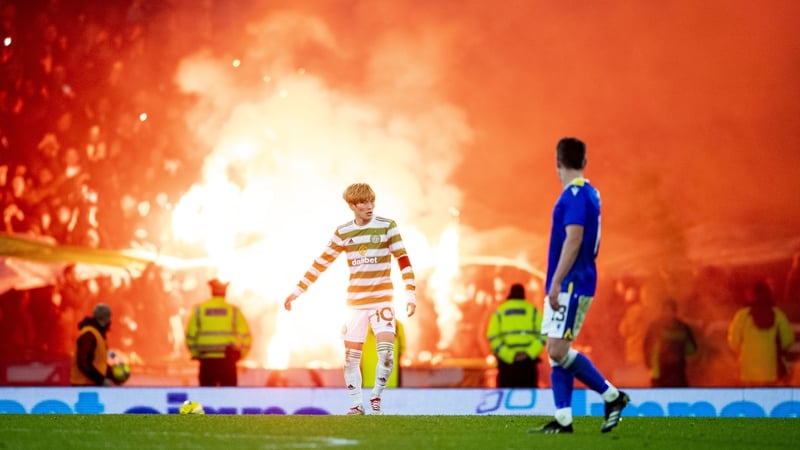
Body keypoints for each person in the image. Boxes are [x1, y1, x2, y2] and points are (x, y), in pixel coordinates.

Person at [284, 182, 417, 415]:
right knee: (350, 359)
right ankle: (357, 404)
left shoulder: (387, 226)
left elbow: (403, 259)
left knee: (386, 353)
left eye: (371, 201)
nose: (370, 206)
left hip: (382, 301)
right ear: (352, 206)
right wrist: (297, 291)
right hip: (354, 305)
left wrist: (411, 293)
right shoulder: (343, 232)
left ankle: (375, 396)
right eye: (363, 202)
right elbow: (321, 263)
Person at [534, 137, 629, 434]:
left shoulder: (574, 195)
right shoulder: (590, 193)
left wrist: (558, 280)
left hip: (573, 283)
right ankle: (563, 419)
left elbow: (574, 238)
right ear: (585, 162)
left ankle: (612, 396)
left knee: (558, 349)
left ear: (557, 162)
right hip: (571, 282)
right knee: (555, 350)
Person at [185, 278, 252, 387]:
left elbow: (190, 336)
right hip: (228, 362)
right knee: (229, 397)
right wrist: (240, 355)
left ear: (212, 292)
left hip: (207, 361)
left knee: (207, 396)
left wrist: (196, 354)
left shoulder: (199, 310)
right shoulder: (234, 311)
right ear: (225, 293)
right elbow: (246, 337)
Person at [727, 281, 795, 386]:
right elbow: (788, 340)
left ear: (752, 296)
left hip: (747, 372)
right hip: (772, 371)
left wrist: (742, 353)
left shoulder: (742, 315)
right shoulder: (778, 314)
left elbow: (733, 342)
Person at [486, 283, 545, 388]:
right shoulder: (533, 311)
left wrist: (509, 355)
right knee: (529, 399)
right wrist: (529, 353)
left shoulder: (499, 312)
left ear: (509, 294)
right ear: (524, 295)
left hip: (506, 367)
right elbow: (543, 335)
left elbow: (493, 337)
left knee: (505, 400)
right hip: (528, 366)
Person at [643, 298, 697, 387]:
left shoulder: (654, 327)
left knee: (658, 398)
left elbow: (647, 347)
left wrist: (648, 364)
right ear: (675, 311)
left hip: (659, 373)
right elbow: (691, 350)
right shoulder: (683, 327)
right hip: (678, 373)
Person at [70, 303, 114, 386]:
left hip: (93, 384)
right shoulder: (89, 334)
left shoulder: (98, 334)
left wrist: (111, 375)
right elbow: (83, 362)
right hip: (84, 385)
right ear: (105, 318)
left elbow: (99, 362)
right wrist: (101, 380)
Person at [362, 319, 406, 388]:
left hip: (368, 381)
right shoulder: (397, 324)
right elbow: (402, 349)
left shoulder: (364, 325)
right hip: (391, 381)